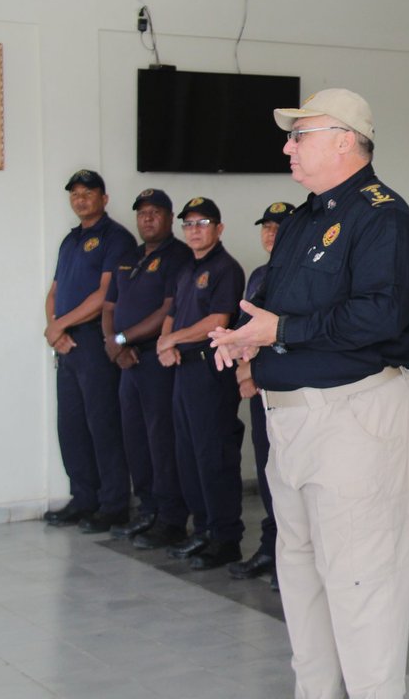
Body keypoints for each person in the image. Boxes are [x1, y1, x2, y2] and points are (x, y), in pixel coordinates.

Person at [209, 88, 409, 698]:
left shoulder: (384, 217)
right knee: (302, 582)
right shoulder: (307, 216)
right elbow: (280, 308)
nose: (287, 146)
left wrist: (282, 330)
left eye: (299, 135)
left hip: (353, 419)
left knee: (362, 588)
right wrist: (250, 338)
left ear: (344, 140)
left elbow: (385, 315)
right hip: (292, 423)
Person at [43, 169, 135, 531]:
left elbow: (104, 296)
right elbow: (53, 292)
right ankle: (83, 500)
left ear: (104, 198)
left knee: (103, 425)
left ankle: (112, 506)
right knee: (72, 426)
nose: (81, 199)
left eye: (88, 193)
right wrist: (55, 331)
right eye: (75, 194)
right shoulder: (70, 241)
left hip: (95, 342)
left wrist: (59, 325)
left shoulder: (116, 238)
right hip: (67, 345)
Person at [100, 189, 193, 546]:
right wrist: (114, 345)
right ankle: (148, 509)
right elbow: (109, 307)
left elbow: (166, 311)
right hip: (127, 362)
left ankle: (170, 518)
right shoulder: (128, 256)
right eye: (142, 213)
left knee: (161, 440)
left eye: (156, 213)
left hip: (156, 360)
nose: (148, 219)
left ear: (170, 218)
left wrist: (121, 340)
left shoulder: (179, 256)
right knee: (135, 438)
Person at [157, 197, 246, 570]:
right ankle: (204, 529)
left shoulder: (226, 268)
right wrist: (166, 343)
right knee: (188, 453)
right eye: (188, 224)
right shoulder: (185, 269)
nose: (194, 230)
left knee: (214, 454)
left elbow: (218, 319)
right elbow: (172, 315)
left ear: (219, 228)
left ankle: (226, 537)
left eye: (202, 222)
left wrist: (172, 340)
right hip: (184, 370)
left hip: (212, 371)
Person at [230, 200, 296, 589]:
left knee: (290, 474)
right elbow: (243, 330)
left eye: (279, 227)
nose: (271, 234)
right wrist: (243, 370)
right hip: (257, 387)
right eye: (266, 228)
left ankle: (291, 558)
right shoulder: (258, 275)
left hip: (285, 387)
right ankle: (271, 548)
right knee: (267, 468)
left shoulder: (299, 275)